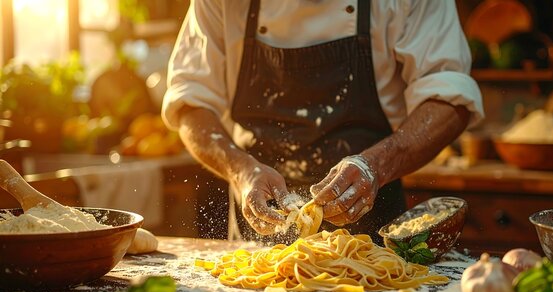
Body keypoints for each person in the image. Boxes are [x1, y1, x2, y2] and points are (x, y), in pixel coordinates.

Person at [162, 0, 484, 243]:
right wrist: (240, 169)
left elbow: (449, 94)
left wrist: (376, 165)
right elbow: (191, 102)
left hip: (374, 242)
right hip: (255, 243)